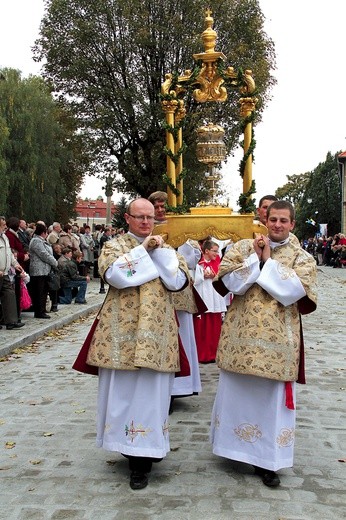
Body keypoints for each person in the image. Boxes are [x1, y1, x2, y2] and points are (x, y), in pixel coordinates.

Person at [74, 198, 189, 490]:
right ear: (128, 218)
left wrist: (161, 255)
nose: (146, 222)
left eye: (150, 217)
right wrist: (143, 251)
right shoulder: (114, 245)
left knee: (152, 395)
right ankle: (131, 450)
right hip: (121, 333)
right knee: (124, 392)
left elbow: (178, 281)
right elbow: (114, 275)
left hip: (157, 332)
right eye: (139, 217)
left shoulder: (169, 248)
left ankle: (147, 451)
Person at [210, 200, 317, 487]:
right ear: (265, 220)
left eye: (284, 221)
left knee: (270, 403)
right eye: (273, 220)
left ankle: (268, 461)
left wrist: (268, 262)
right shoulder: (243, 247)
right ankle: (233, 448)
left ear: (293, 224)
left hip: (278, 342)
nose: (278, 225)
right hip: (239, 339)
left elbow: (294, 292)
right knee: (238, 394)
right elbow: (228, 282)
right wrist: (254, 260)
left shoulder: (303, 257)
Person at [193, 239, 227, 363]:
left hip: (215, 298)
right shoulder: (198, 262)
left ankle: (213, 354)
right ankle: (202, 355)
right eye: (214, 251)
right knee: (203, 328)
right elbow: (194, 279)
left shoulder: (218, 261)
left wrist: (215, 275)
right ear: (206, 251)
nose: (217, 254)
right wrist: (203, 275)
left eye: (217, 251)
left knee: (215, 327)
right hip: (204, 295)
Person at [0, 216, 25, 330]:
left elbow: (9, 253)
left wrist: (15, 264)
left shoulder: (4, 237)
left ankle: (11, 321)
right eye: (3, 225)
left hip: (4, 272)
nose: (5, 227)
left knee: (9, 294)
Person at [29, 223, 58, 319]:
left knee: (44, 291)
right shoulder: (36, 241)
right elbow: (43, 254)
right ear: (43, 233)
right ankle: (39, 311)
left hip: (45, 271)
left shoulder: (42, 241)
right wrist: (54, 261)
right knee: (39, 292)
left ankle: (42, 310)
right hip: (38, 271)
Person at [98, 227, 111, 294]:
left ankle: (103, 287)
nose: (110, 233)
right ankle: (102, 287)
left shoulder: (107, 237)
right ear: (106, 231)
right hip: (104, 255)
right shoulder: (103, 237)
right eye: (109, 231)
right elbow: (105, 246)